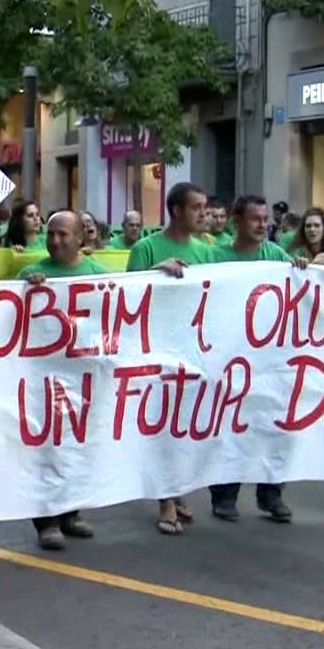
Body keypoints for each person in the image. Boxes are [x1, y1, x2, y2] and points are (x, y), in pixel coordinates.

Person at [204, 195, 324, 524]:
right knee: (232, 427)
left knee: (275, 426)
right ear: (237, 221)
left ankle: (271, 495)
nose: (261, 225)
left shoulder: (276, 255)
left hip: (273, 359)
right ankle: (225, 495)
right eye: (254, 218)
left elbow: (319, 268)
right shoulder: (214, 256)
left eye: (265, 219)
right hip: (230, 357)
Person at [127, 182, 214, 535]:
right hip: (156, 349)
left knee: (184, 425)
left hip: (194, 348)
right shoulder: (146, 248)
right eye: (196, 208)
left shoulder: (206, 251)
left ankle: (176, 489)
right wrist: (154, 272)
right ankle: (165, 499)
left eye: (205, 207)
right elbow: (125, 293)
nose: (203, 214)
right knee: (161, 425)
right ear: (176, 210)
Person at [17, 211, 106, 550]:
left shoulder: (99, 275)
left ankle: (71, 512)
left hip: (82, 378)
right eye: (51, 234)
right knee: (46, 450)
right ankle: (46, 521)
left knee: (77, 446)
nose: (54, 241)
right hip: (42, 378)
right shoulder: (30, 274)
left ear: (82, 237)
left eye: (63, 235)